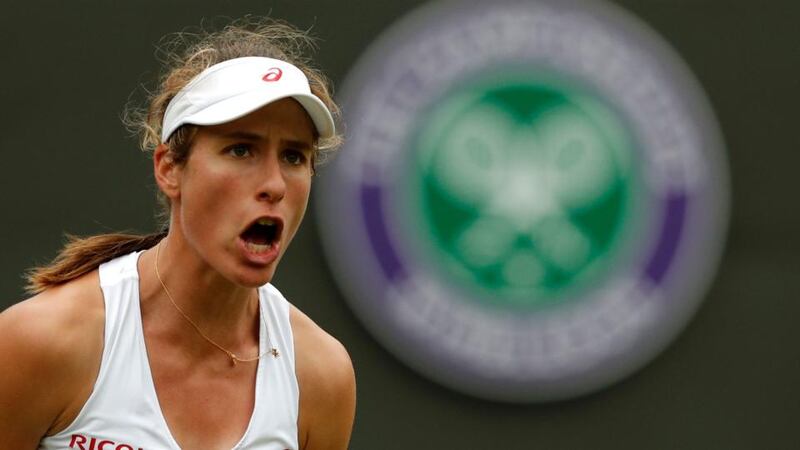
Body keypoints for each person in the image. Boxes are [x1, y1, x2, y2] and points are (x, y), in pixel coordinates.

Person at [0, 17, 356, 450]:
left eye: (294, 157)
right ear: (169, 168)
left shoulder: (321, 375)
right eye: (241, 149)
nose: (275, 184)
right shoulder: (42, 341)